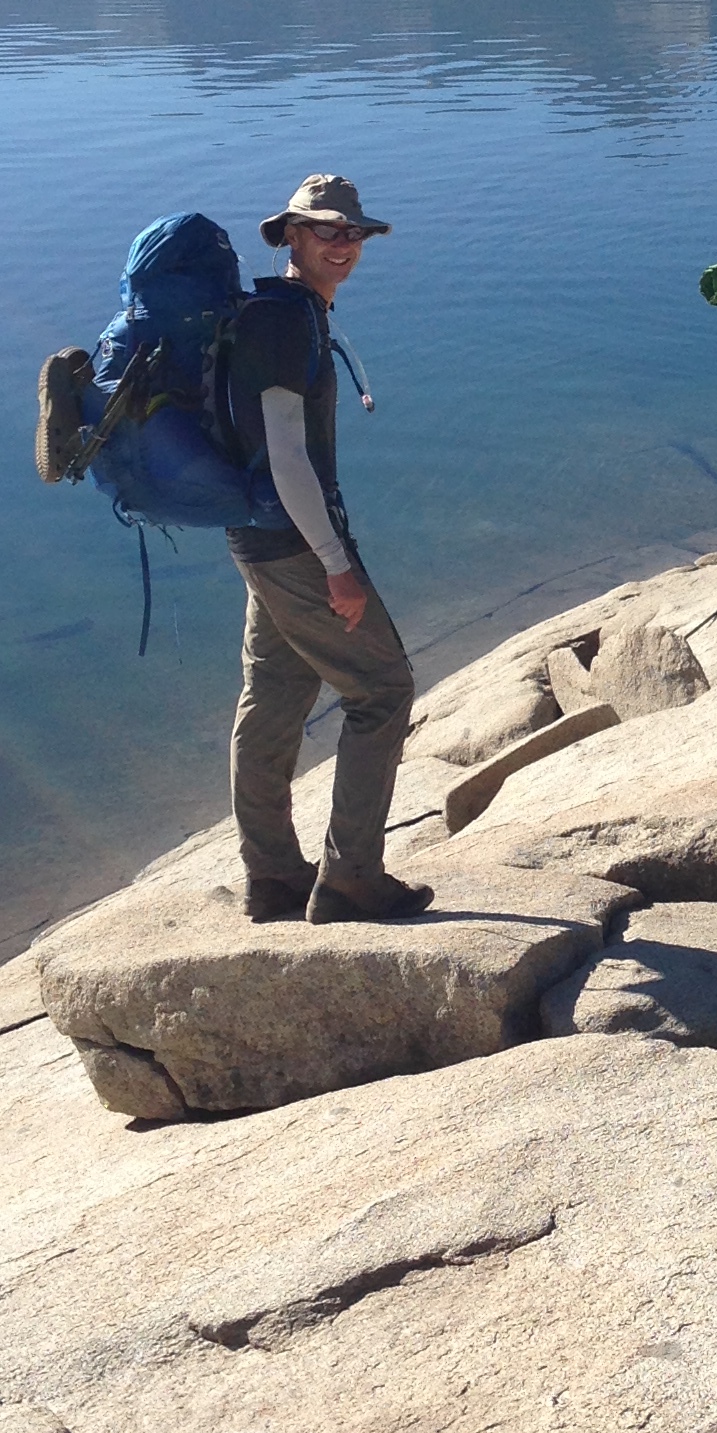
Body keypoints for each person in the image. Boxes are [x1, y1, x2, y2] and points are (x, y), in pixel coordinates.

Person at [225, 172, 429, 925]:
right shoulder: (282, 324)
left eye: (353, 234)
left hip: (260, 540)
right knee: (382, 691)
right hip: (294, 545)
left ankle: (272, 878)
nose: (343, 245)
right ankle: (350, 881)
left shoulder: (283, 312)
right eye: (326, 231)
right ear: (291, 237)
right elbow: (286, 453)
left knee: (274, 697)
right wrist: (336, 564)